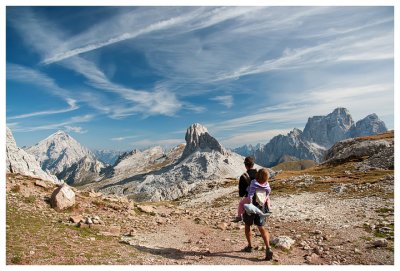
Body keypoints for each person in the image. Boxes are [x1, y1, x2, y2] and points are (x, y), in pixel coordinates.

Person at [242, 168, 273, 261]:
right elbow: (268, 195)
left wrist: (249, 203)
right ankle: (268, 247)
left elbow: (250, 195)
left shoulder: (254, 182)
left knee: (248, 225)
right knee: (261, 227)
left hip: (251, 207)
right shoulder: (267, 185)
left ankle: (250, 246)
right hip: (261, 207)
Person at [233, 156, 258, 222]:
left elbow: (241, 194)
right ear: (253, 164)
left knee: (241, 203)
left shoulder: (243, 176)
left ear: (245, 165)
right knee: (260, 226)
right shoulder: (259, 174)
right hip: (260, 199)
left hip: (250, 200)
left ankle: (239, 217)